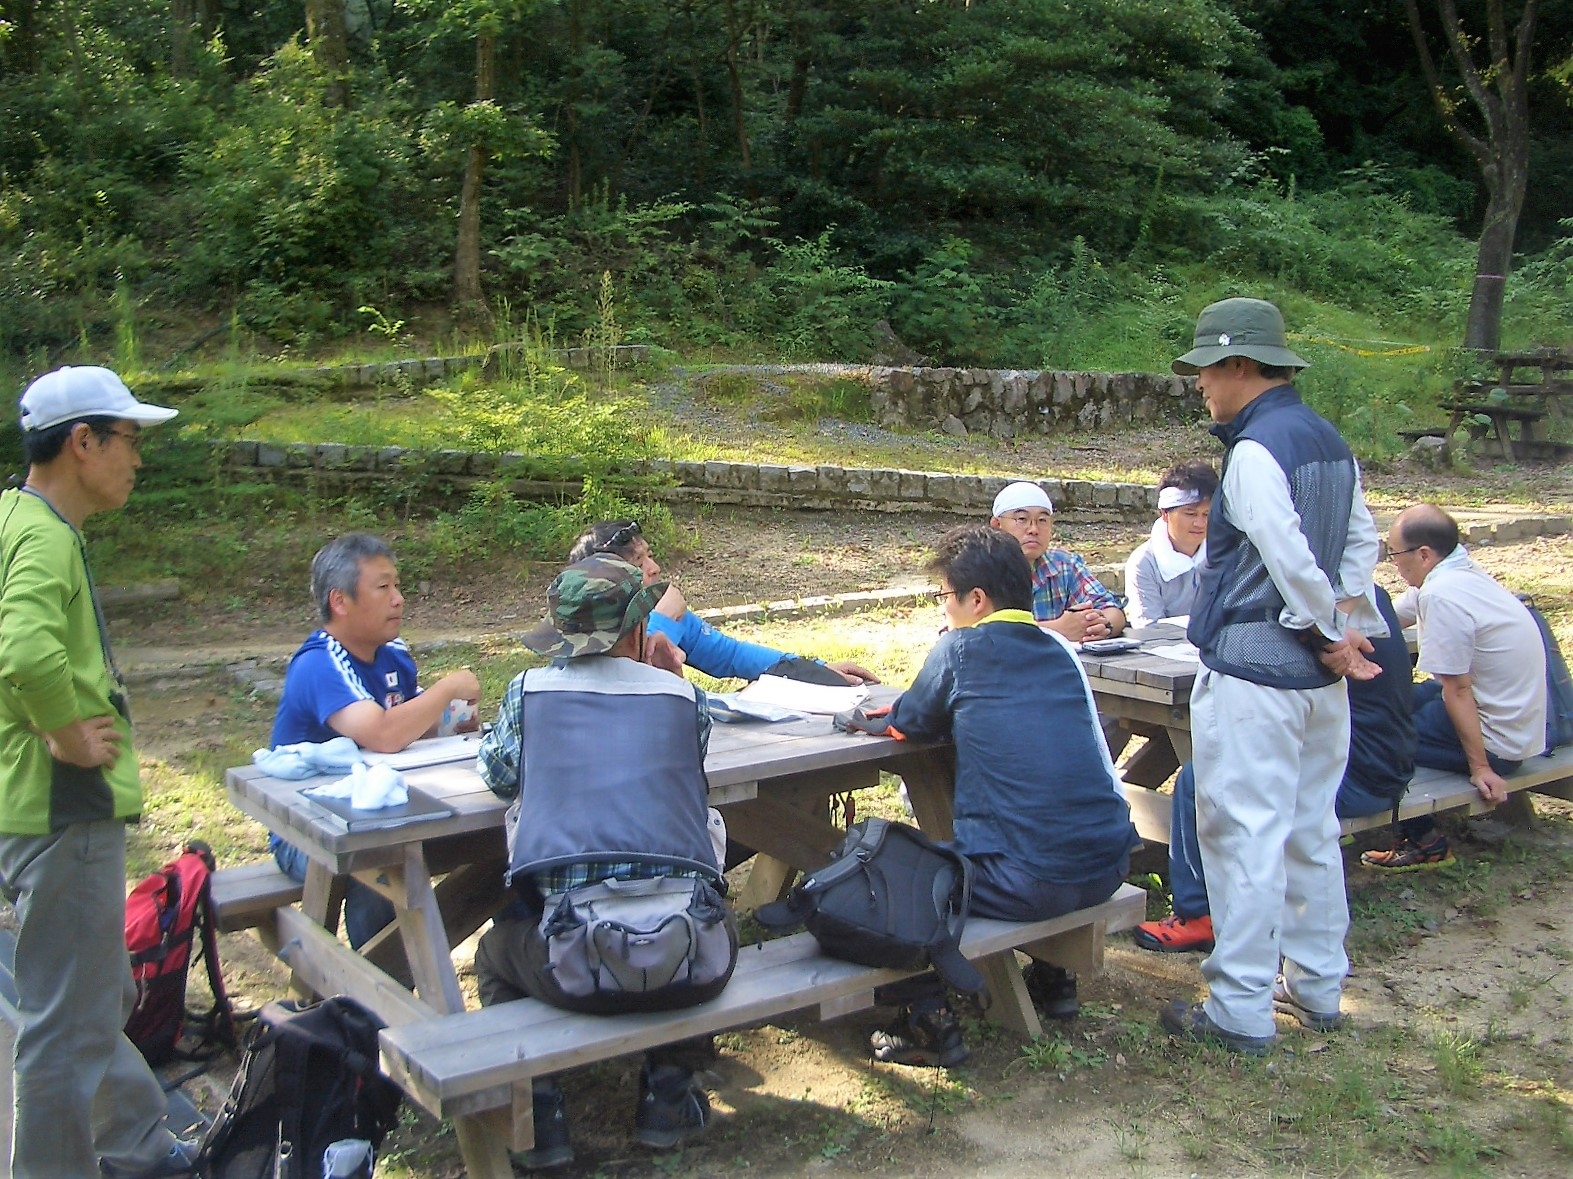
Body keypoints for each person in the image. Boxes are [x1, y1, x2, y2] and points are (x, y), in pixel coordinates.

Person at [1159, 297, 1383, 1055]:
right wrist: (1342, 626)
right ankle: (1317, 984)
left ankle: (1240, 1007)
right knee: (1309, 830)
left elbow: (1287, 556)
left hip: (1257, 679)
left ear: (1238, 366)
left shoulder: (1254, 451)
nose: (1199, 386)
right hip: (1318, 686)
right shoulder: (1327, 440)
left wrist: (1327, 631)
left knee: (1241, 836)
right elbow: (1359, 543)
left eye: (1204, 371)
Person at [0, 366, 198, 1179]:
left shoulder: (17, 518)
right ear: (82, 442)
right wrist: (65, 733)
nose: (136, 460)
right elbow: (22, 648)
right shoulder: (44, 535)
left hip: (30, 805)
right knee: (67, 1030)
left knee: (94, 999)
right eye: (128, 441)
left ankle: (131, 1143)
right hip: (64, 808)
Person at [474, 555, 734, 1166]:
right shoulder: (683, 698)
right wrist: (669, 675)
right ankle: (667, 1094)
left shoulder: (529, 692)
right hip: (688, 959)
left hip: (577, 960)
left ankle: (540, 1116)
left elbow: (497, 774)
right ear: (639, 631)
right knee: (723, 910)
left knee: (493, 951)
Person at [865, 526, 1139, 1067]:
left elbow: (914, 719)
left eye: (944, 597)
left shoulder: (960, 647)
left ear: (976, 600)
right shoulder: (1061, 650)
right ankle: (1055, 978)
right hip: (1107, 861)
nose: (944, 611)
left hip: (1030, 881)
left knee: (881, 873)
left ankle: (926, 1015)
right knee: (1031, 820)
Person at [1135, 585, 1416, 952]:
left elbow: (1255, 696)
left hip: (1350, 776)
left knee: (1199, 776)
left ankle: (1200, 913)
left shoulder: (1304, 609)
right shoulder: (1366, 593)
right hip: (1391, 763)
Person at [269, 533, 480, 949]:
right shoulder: (320, 662)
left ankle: (397, 984)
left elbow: (414, 723)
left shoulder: (392, 653)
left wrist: (458, 717)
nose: (399, 598)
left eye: (397, 585)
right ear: (340, 601)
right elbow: (384, 734)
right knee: (382, 864)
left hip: (384, 820)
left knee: (494, 847)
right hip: (307, 834)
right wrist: (448, 687)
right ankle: (382, 992)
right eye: (383, 587)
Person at [1362, 504, 1547, 870]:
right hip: (1512, 718)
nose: (1393, 564)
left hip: (1496, 741)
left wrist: (1481, 768)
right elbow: (1384, 621)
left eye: (1394, 554)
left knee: (1377, 737)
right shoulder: (1458, 571)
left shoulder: (1441, 594)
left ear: (1424, 554)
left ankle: (1425, 840)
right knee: (1398, 706)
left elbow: (1457, 690)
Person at [567, 520, 878, 685]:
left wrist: (814, 670)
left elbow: (731, 656)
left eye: (649, 555)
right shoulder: (578, 645)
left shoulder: (669, 618)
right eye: (639, 561)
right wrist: (662, 619)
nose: (655, 568)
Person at [988, 482, 1127, 641]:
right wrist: (1057, 630)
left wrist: (1102, 627)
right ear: (996, 525)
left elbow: (1112, 610)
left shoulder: (1063, 564)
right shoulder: (977, 566)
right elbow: (973, 632)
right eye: (1022, 519)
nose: (1033, 529)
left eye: (1042, 520)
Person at [1123, 461, 1217, 627]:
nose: (1200, 523)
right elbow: (1149, 628)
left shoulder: (1223, 553)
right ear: (1165, 514)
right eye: (1190, 513)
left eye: (1207, 514)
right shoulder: (1144, 563)